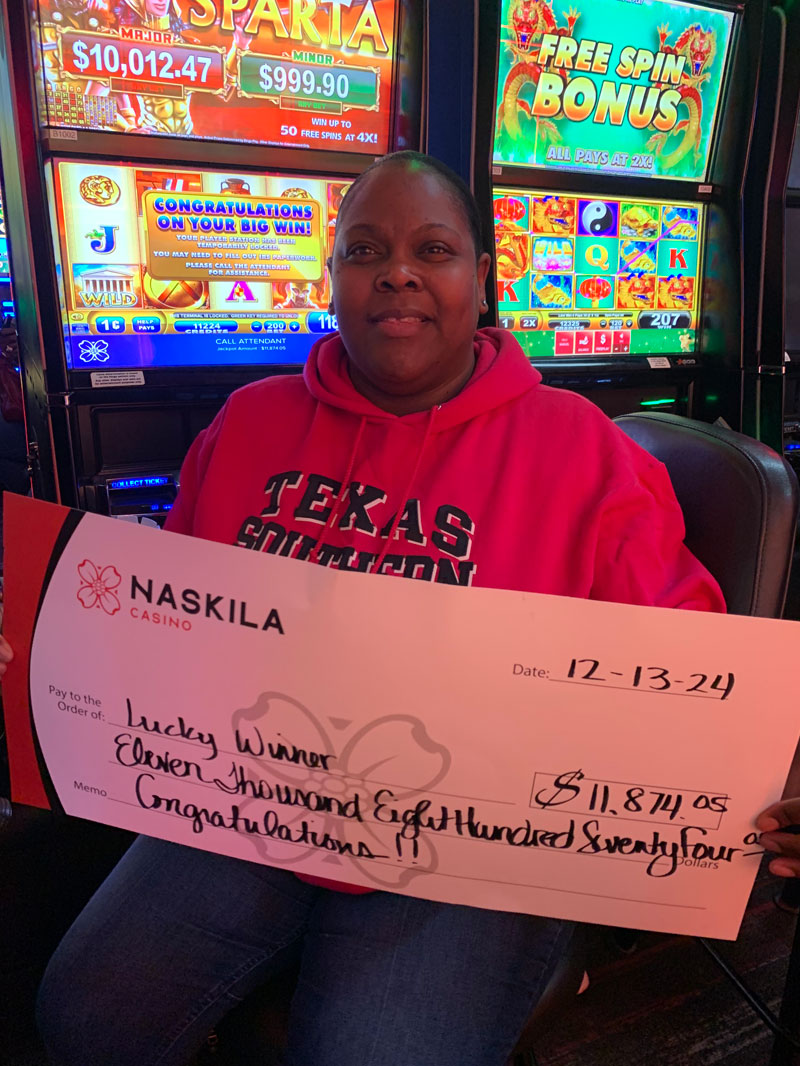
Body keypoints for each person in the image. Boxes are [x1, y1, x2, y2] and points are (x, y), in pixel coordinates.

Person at [0, 150, 795, 1066]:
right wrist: (45, 648)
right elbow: (167, 624)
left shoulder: (583, 450)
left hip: (469, 842)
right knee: (86, 1015)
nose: (398, 273)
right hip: (248, 801)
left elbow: (696, 670)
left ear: (483, 278)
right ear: (332, 275)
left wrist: (776, 779)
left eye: (434, 250)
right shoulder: (249, 422)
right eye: (366, 250)